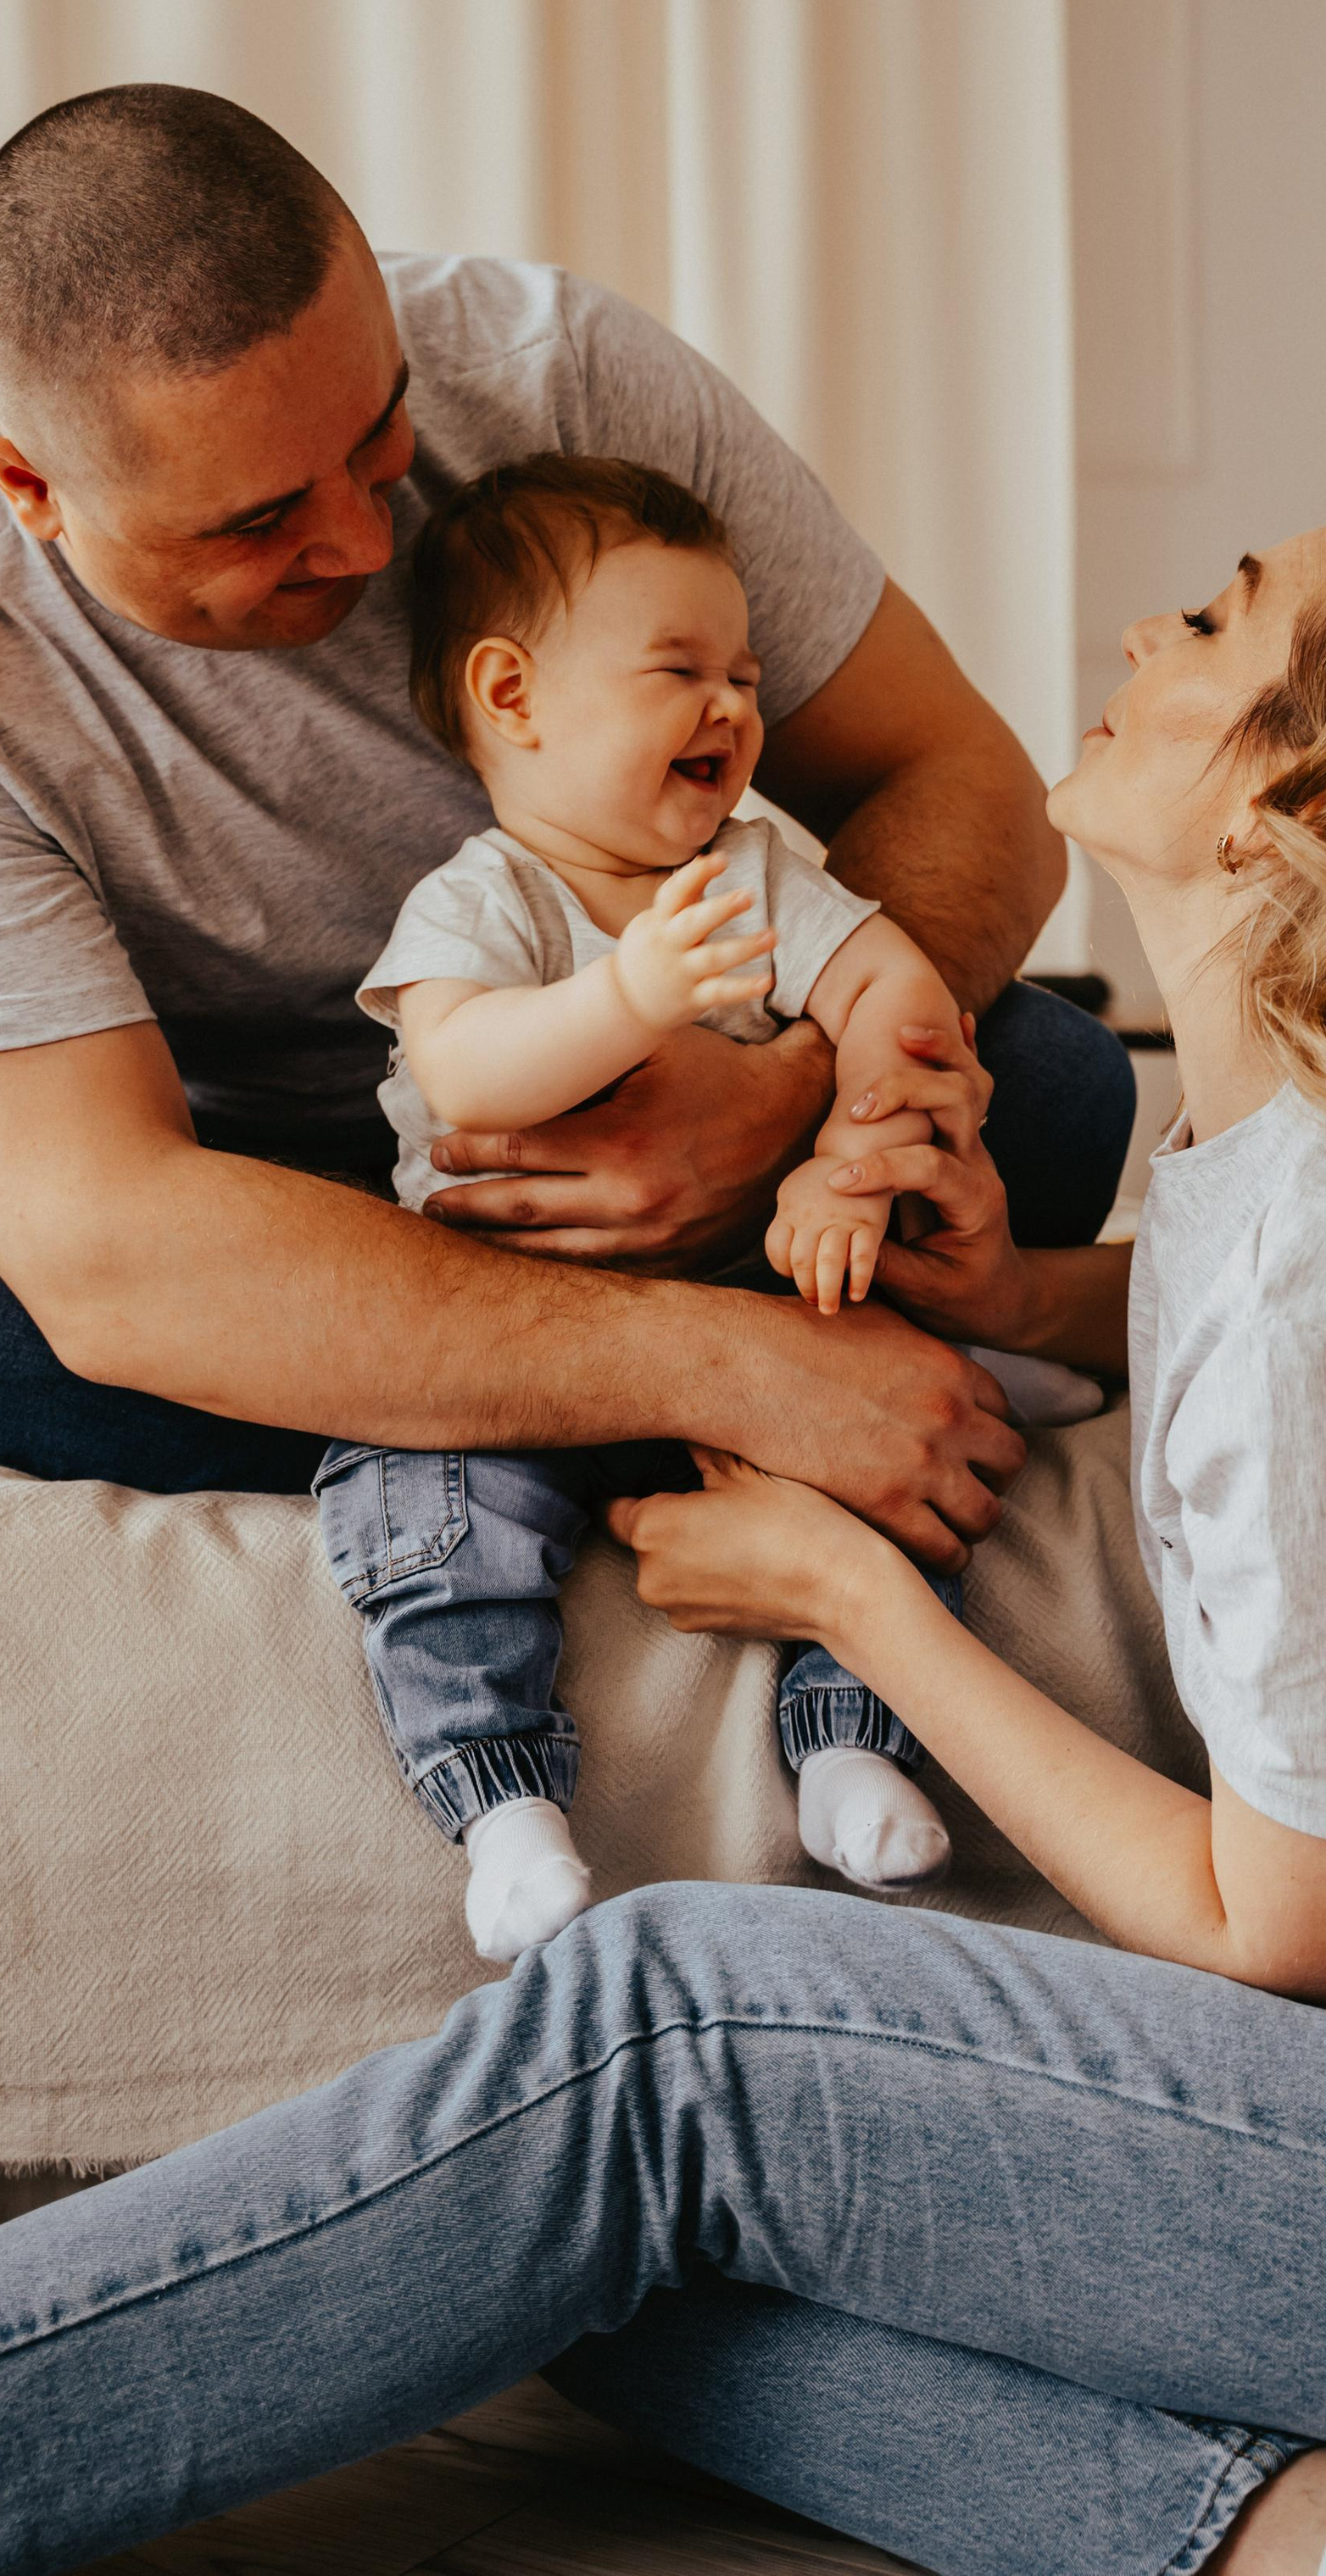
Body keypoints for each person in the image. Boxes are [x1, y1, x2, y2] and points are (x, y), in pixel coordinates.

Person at [0, 499, 1326, 2576]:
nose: (1142, 636)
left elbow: (1310, 1944)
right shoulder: (1302, 1151)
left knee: (662, 2034)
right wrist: (1021, 1302)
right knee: (539, 2248)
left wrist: (854, 1597)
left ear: (1282, 816)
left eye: (1213, 626)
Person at [0, 85, 1133, 1558]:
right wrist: (730, 1364)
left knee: (1056, 1080)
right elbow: (110, 1246)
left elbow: (967, 787)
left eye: (378, 433)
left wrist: (781, 1097)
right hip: (240, 1193)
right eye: (257, 522)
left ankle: (472, 1413)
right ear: (28, 489)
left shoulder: (557, 373)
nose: (368, 542)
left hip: (673, 1096)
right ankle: (713, 1402)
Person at [318, 449, 1100, 1959]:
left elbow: (886, 980)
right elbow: (471, 1073)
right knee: (416, 1504)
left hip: (743, 1308)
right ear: (512, 697)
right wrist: (628, 993)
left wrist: (847, 1149)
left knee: (870, 1442)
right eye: (680, 669)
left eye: (745, 674)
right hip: (507, 1347)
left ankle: (848, 1740)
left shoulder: (754, 867)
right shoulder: (479, 902)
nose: (735, 708)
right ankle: (503, 1808)